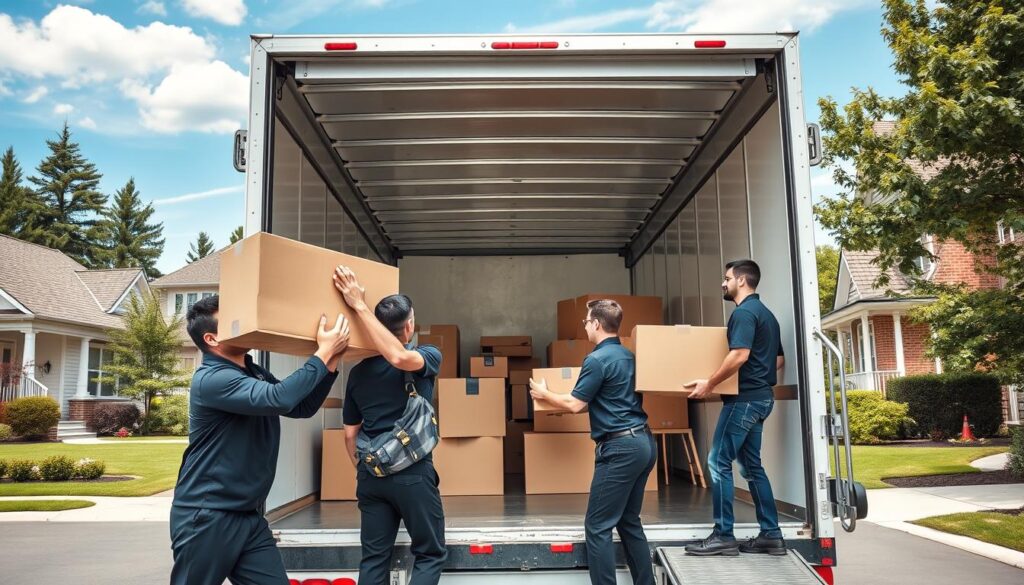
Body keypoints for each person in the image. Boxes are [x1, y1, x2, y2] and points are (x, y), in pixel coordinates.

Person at [170, 294, 351, 585]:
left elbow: (300, 407)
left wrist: (330, 364)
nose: (243, 325)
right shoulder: (212, 379)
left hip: (248, 516)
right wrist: (321, 353)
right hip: (207, 516)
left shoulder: (252, 371)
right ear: (212, 338)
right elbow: (279, 399)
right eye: (231, 323)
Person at [333, 265, 448, 585]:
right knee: (430, 553)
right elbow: (400, 359)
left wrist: (366, 466)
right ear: (409, 325)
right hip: (412, 475)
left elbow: (350, 434)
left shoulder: (357, 373)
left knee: (374, 558)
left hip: (372, 474)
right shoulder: (426, 356)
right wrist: (358, 304)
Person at [529, 299, 656, 585]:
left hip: (620, 449)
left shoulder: (596, 360)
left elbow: (575, 405)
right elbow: (594, 402)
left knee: (597, 526)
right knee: (628, 521)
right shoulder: (629, 357)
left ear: (596, 324)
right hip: (644, 443)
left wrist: (544, 394)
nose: (585, 326)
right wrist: (558, 400)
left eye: (586, 321)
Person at [683, 259, 786, 556]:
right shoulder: (767, 315)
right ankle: (771, 535)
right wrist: (757, 374)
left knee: (718, 462)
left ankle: (723, 535)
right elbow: (778, 360)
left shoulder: (743, 314)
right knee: (752, 467)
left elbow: (739, 354)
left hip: (744, 401)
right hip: (762, 398)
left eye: (726, 278)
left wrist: (711, 383)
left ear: (741, 281)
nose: (723, 283)